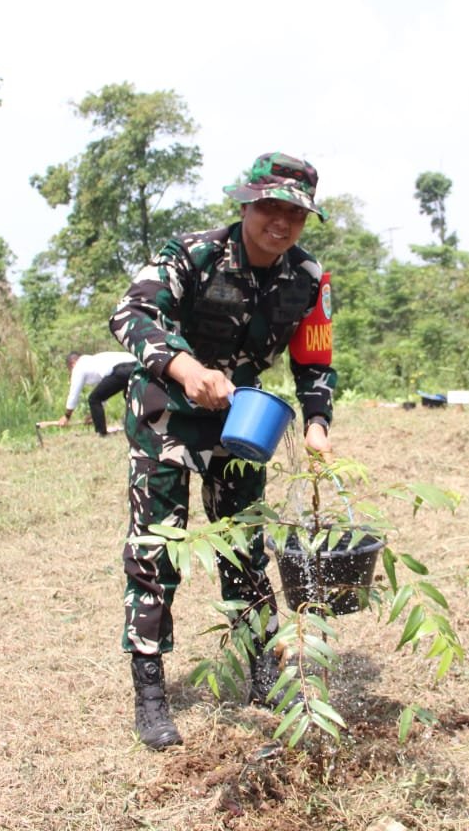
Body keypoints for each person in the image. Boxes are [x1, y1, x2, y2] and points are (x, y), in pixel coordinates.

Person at [107, 152, 336, 749]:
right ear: (245, 205)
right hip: (166, 411)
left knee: (244, 544)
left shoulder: (308, 279)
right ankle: (150, 686)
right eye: (269, 208)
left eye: (294, 213)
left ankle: (263, 670)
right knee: (158, 547)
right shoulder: (195, 254)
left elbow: (314, 358)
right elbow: (131, 312)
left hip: (242, 417)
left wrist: (317, 424)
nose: (280, 223)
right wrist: (186, 369)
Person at [58, 350, 136, 435]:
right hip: (136, 365)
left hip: (121, 368)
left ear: (72, 363)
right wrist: (94, 415)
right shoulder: (95, 362)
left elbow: (74, 394)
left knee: (94, 399)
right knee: (129, 396)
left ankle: (101, 433)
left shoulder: (79, 366)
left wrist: (67, 416)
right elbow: (104, 393)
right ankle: (137, 424)